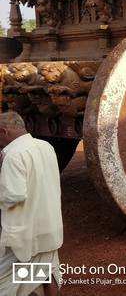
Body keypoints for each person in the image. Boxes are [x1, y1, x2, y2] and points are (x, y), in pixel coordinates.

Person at [0, 111, 62, 296]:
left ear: (3, 132)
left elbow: (14, 195)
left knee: (6, 283)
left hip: (24, 236)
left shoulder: (12, 156)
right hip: (49, 227)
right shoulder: (46, 146)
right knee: (46, 273)